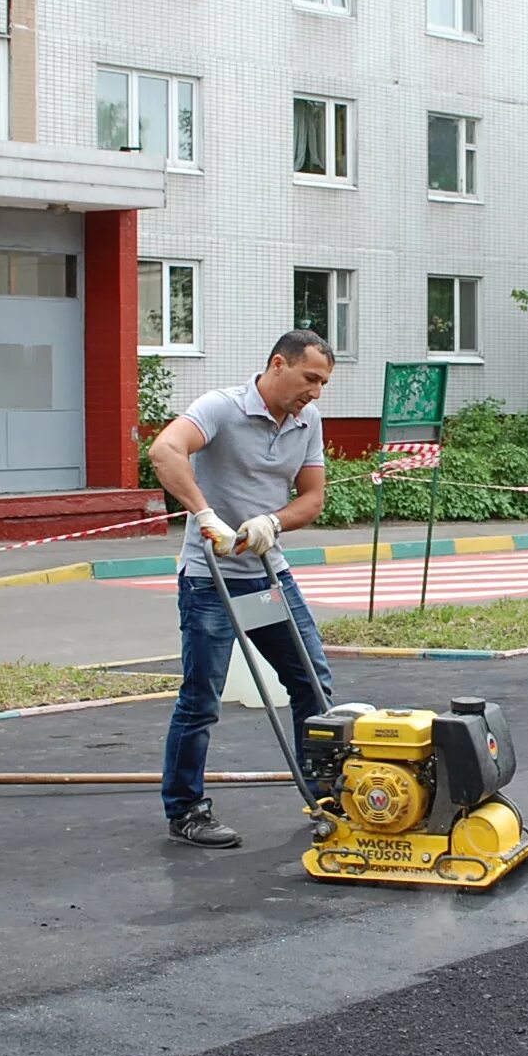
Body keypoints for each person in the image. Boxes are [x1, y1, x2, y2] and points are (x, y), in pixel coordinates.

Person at [145, 329, 337, 848]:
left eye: (323, 383)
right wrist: (205, 516)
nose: (316, 392)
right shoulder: (221, 408)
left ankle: (327, 797)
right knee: (201, 696)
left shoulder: (307, 421)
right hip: (210, 581)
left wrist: (271, 524)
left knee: (312, 684)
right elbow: (164, 451)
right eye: (310, 378)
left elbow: (313, 498)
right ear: (279, 364)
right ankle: (186, 809)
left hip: (266, 577)